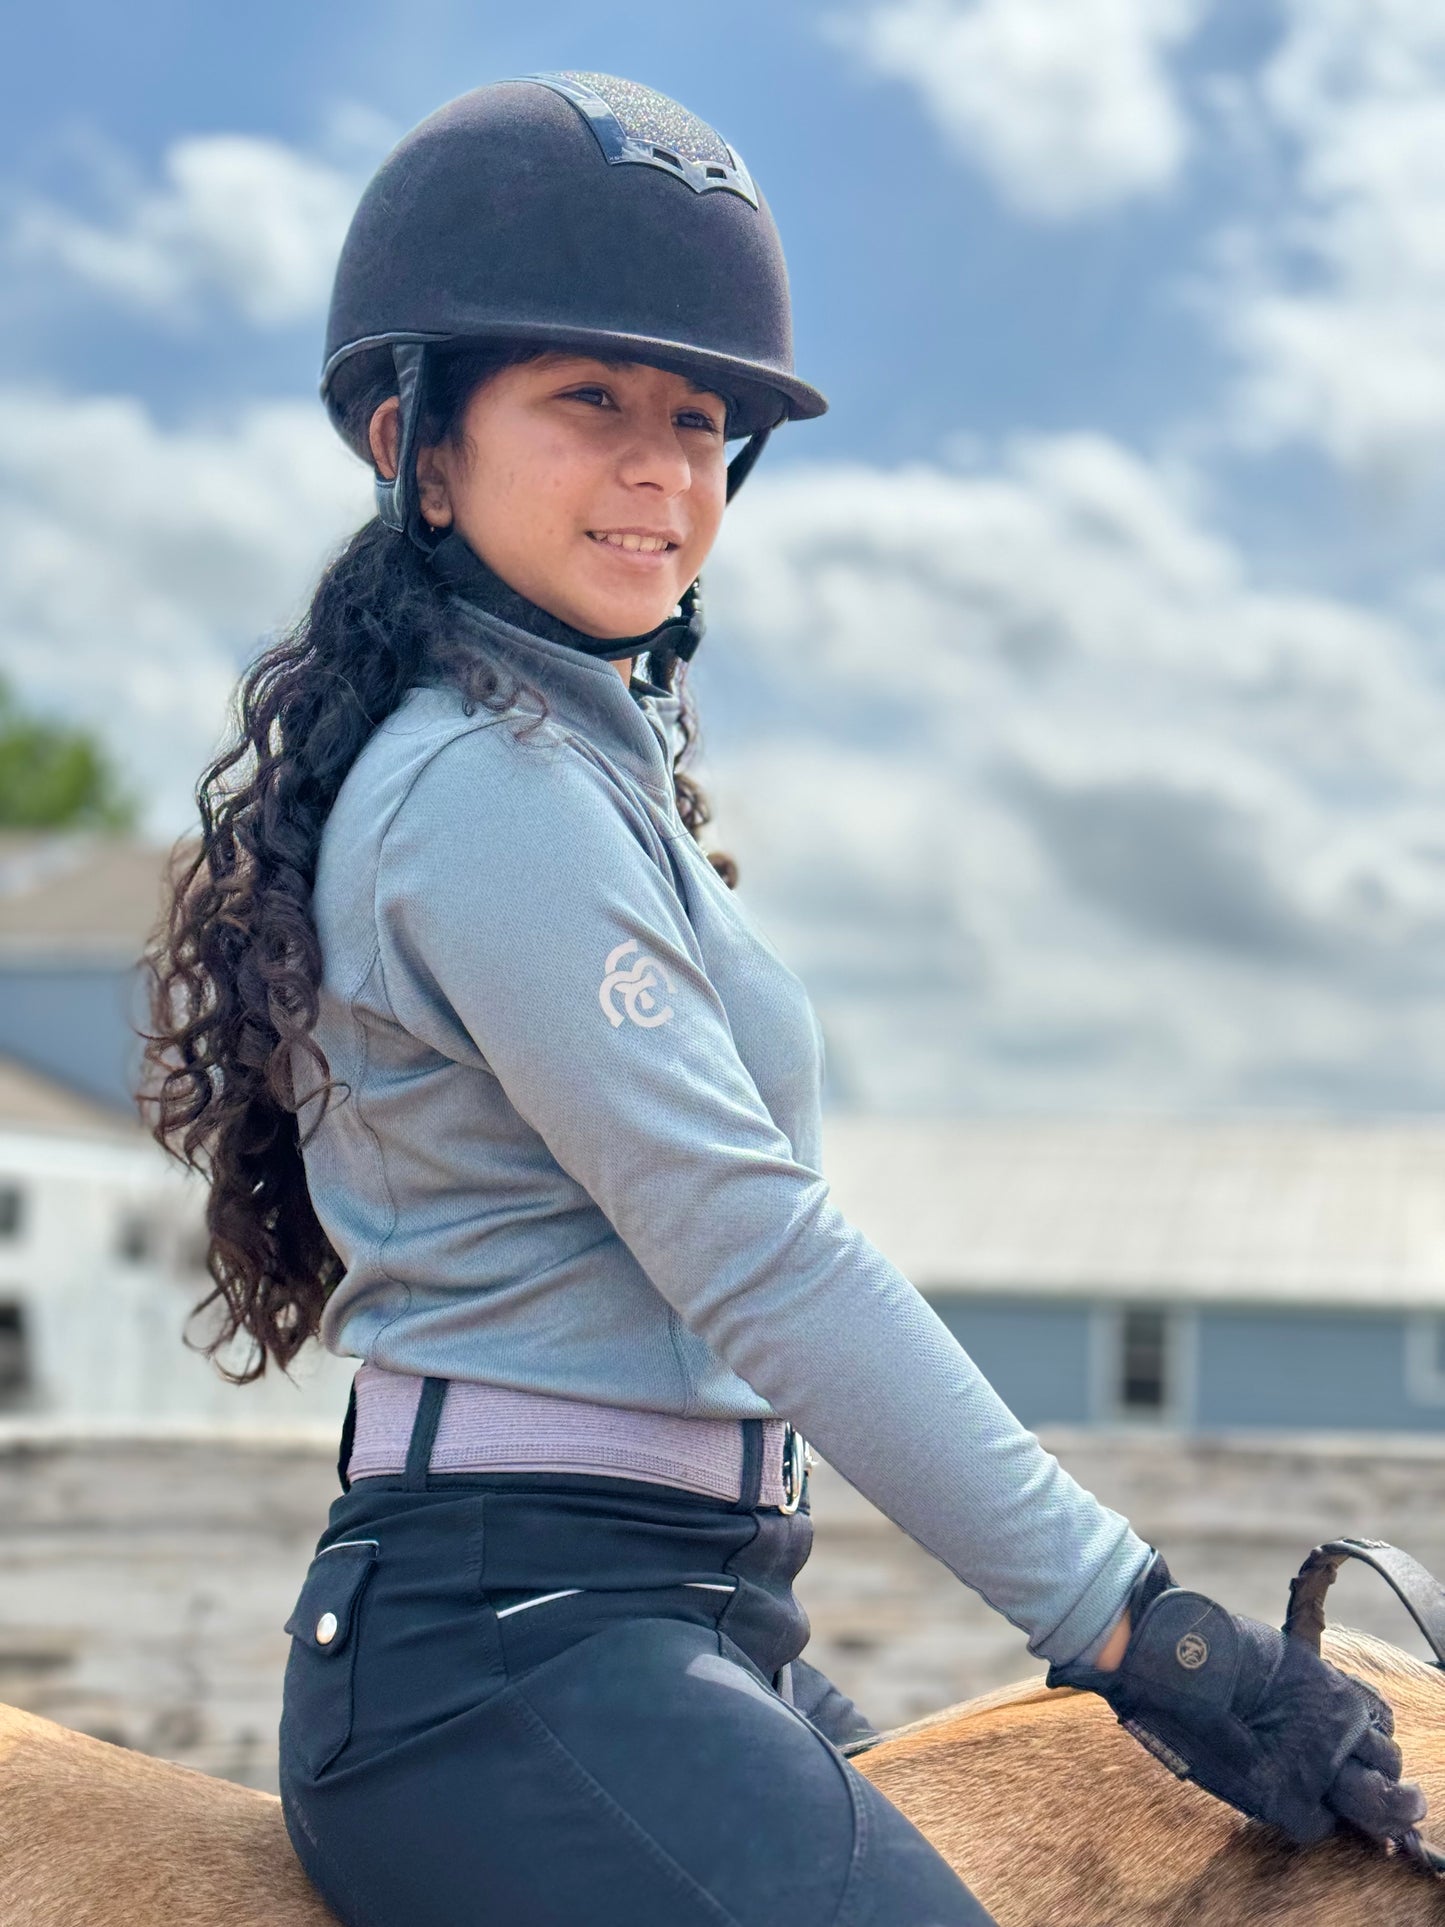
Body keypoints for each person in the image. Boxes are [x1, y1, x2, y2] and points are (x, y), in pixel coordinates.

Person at [144, 73, 1427, 1927]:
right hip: (509, 1652)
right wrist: (1143, 1633)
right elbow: (753, 1247)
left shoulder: (586, 778)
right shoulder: (483, 799)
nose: (659, 466)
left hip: (689, 1608)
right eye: (589, 401)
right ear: (416, 442)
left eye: (698, 417)